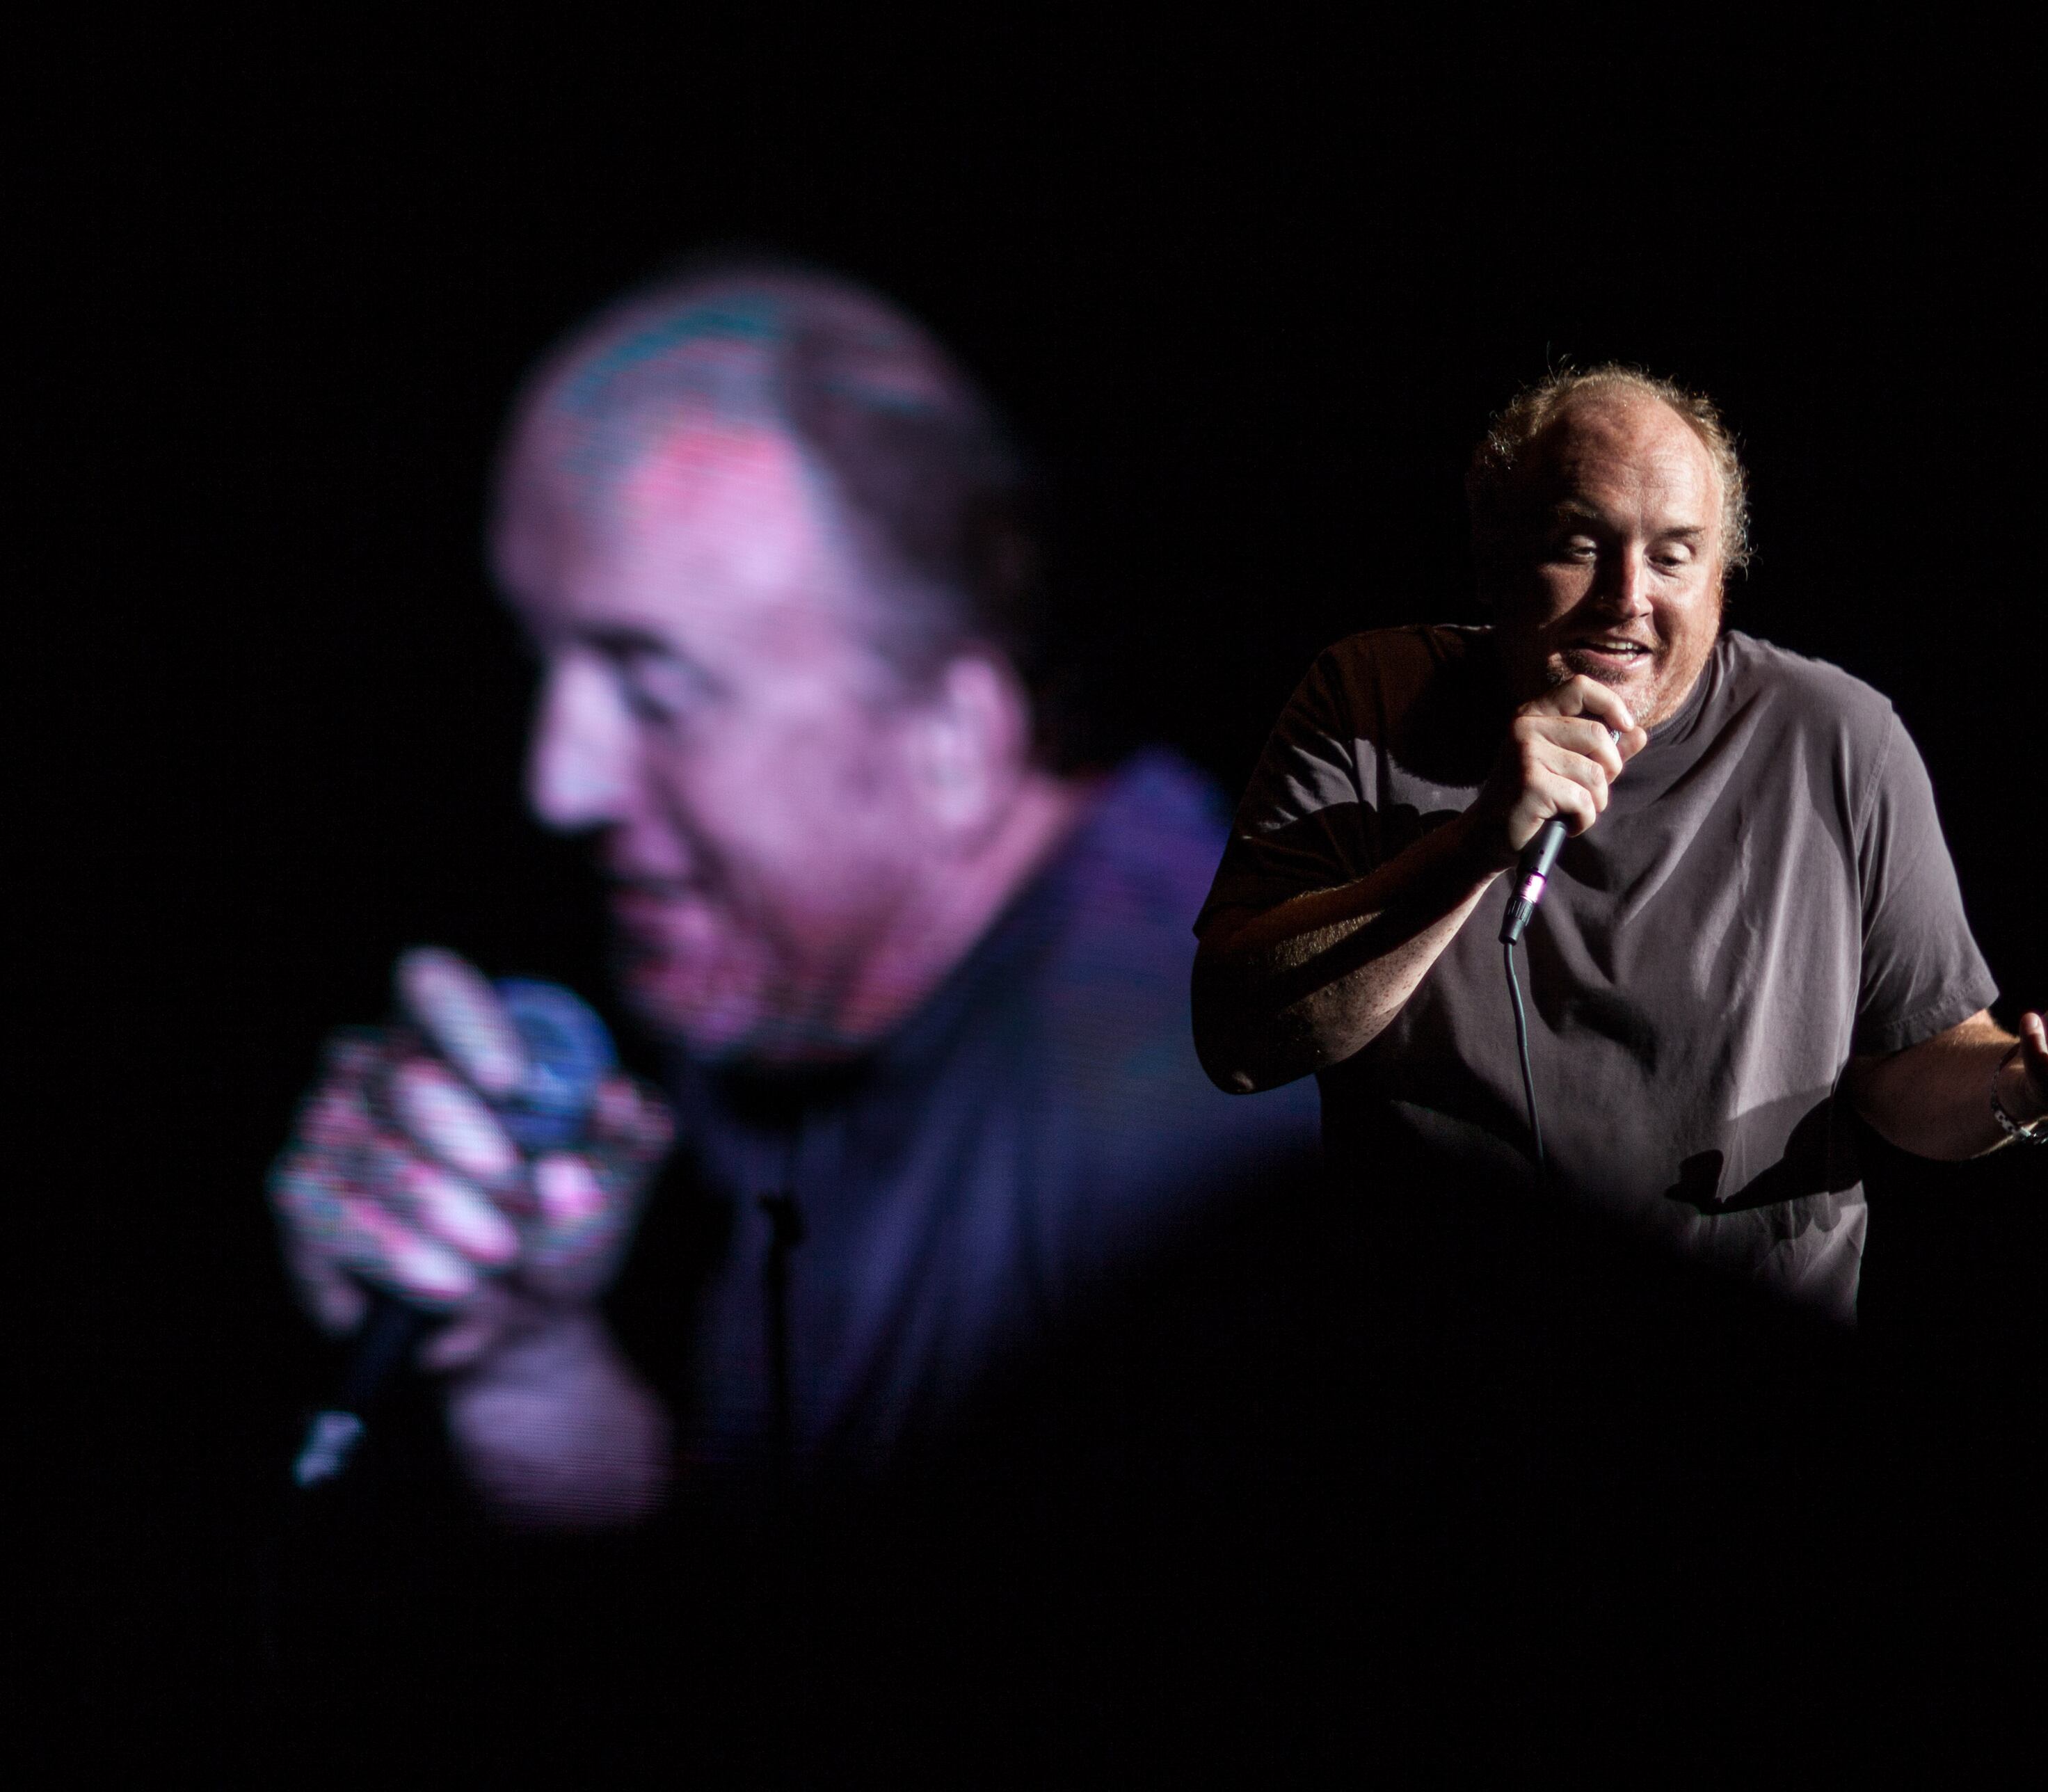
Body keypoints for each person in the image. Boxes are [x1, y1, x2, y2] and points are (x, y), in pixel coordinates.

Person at [265, 261, 1318, 1532]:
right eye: (542, 664)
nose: (558, 781)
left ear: (952, 738)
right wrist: (522, 1360)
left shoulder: (1198, 1132)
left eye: (655, 689)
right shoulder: (802, 1002)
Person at [1192, 365, 2048, 1323]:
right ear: (1496, 553)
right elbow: (1238, 1043)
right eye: (1580, 545)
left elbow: (1908, 1073)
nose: (1628, 596)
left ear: (1723, 578)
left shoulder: (1837, 737)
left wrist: (2025, 1083)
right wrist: (1473, 847)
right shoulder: (1366, 699)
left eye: (1673, 555)